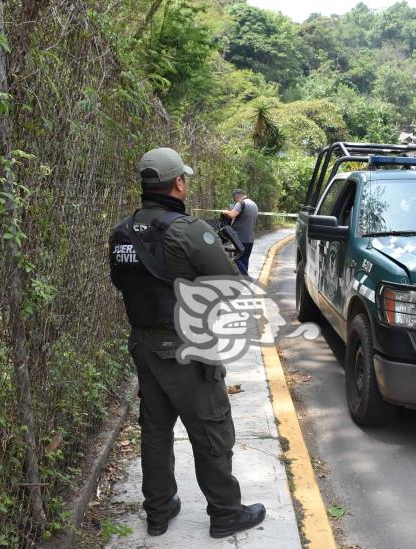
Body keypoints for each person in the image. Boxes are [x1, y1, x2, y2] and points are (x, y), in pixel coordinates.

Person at [108, 147, 266, 538]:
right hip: (186, 349)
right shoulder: (189, 231)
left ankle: (158, 512)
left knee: (156, 430)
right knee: (211, 429)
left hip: (143, 346)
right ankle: (226, 512)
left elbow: (123, 284)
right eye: (186, 179)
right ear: (178, 182)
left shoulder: (121, 233)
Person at [222, 189, 258, 276]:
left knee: (236, 259)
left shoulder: (241, 203)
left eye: (235, 199)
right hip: (250, 238)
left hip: (240, 238)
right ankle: (244, 280)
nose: (235, 202)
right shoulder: (254, 204)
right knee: (245, 259)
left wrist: (225, 212)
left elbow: (231, 215)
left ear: (238, 196)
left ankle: (246, 277)